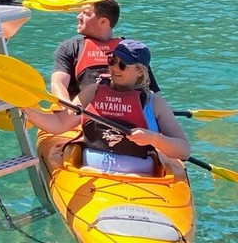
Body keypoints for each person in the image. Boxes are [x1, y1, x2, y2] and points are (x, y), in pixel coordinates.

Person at [23, 39, 189, 176]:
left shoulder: (155, 103)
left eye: (122, 64)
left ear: (140, 71)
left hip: (139, 177)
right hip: (91, 173)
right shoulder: (93, 91)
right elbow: (59, 123)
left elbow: (184, 150)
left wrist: (153, 138)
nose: (114, 67)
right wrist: (26, 111)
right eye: (112, 60)